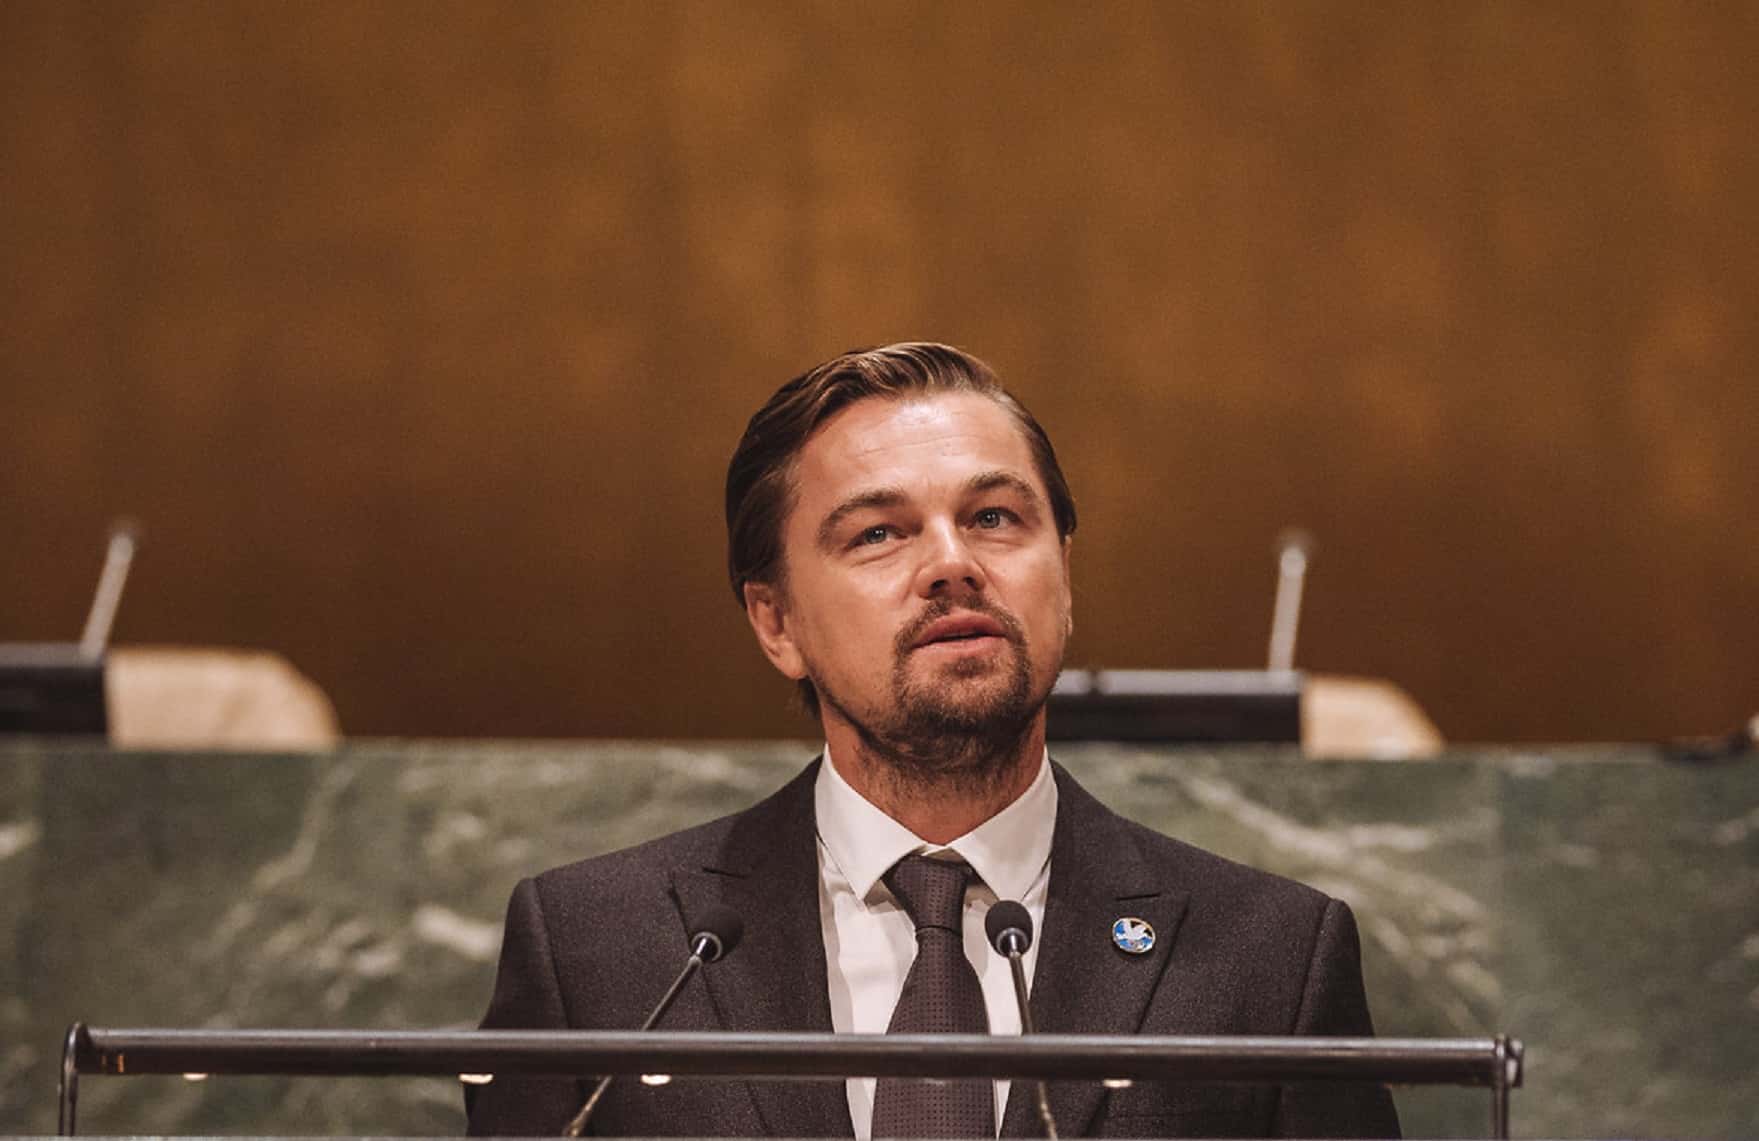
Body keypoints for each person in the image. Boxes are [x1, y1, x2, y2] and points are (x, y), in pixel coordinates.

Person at [467, 343, 1400, 1139]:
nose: (953, 563)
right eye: (878, 532)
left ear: (1063, 576)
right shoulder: (600, 950)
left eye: (994, 517)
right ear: (775, 621)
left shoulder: (1272, 957)